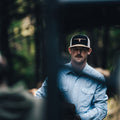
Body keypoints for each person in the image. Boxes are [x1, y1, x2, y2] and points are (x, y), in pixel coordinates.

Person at [36, 34, 108, 120]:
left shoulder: (97, 78)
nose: (78, 52)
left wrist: (80, 118)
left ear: (89, 51)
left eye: (82, 49)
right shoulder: (57, 74)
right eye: (75, 49)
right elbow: (40, 96)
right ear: (70, 50)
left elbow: (102, 109)